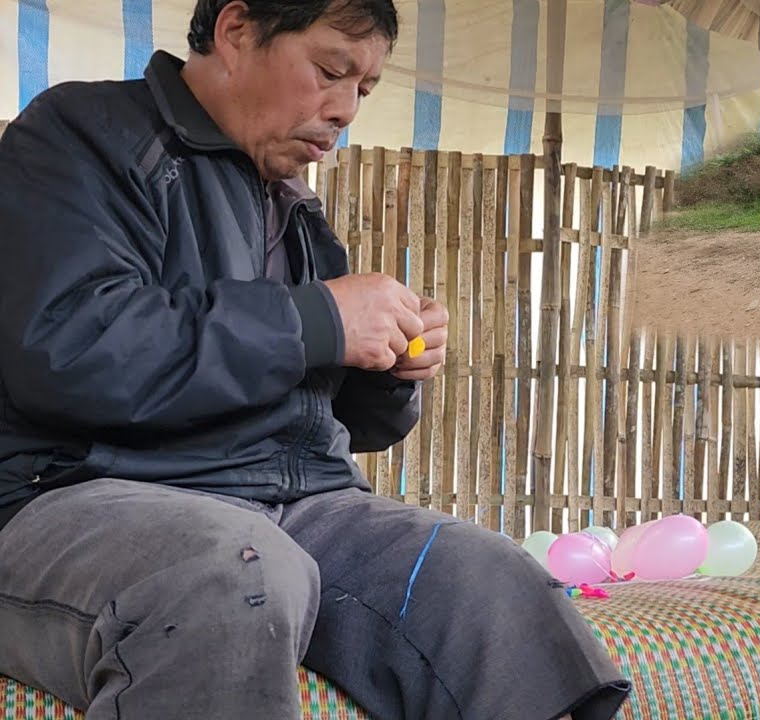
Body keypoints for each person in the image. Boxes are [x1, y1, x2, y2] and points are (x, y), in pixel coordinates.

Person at [0, 2, 631, 719]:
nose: (344, 110)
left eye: (363, 89)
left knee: (487, 581)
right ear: (237, 32)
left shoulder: (291, 204)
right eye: (331, 71)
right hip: (74, 495)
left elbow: (337, 416)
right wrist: (319, 320)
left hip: (291, 506)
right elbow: (70, 348)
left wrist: (390, 369)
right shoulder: (81, 137)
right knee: (231, 573)